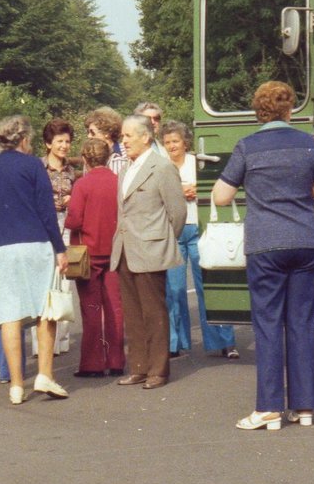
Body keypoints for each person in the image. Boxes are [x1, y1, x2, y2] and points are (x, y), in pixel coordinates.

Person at [212, 81, 314, 431]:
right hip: (305, 241)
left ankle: (268, 408)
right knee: (301, 323)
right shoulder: (310, 147)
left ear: (258, 111)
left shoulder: (248, 146)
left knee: (268, 325)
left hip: (265, 245)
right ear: (290, 110)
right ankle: (304, 406)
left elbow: (221, 196)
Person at [0, 115, 70, 405]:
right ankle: (45, 375)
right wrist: (60, 248)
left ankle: (16, 385)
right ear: (24, 139)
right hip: (34, 244)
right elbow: (46, 211)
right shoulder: (33, 165)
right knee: (44, 311)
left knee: (9, 315)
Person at [110, 113, 186, 390]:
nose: (124, 140)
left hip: (150, 249)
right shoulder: (124, 171)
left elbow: (177, 212)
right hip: (125, 251)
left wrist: (161, 242)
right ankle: (139, 368)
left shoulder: (162, 167)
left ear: (146, 137)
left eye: (128, 135)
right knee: (133, 313)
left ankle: (158, 370)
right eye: (122, 135)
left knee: (154, 312)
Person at [161, 120, 238, 360]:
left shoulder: (198, 162)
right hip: (173, 231)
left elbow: (217, 189)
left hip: (199, 229)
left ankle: (225, 341)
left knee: (209, 285)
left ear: (185, 142)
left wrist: (197, 189)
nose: (172, 146)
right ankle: (175, 343)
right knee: (173, 289)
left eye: (175, 141)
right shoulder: (162, 167)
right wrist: (178, 191)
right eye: (167, 142)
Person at [64, 137, 125, 377]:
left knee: (91, 309)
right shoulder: (118, 182)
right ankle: (116, 360)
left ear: (86, 160)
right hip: (114, 250)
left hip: (87, 253)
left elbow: (74, 220)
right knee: (115, 307)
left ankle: (92, 363)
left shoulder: (82, 185)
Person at [40, 118, 75, 356]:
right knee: (43, 284)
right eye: (59, 141)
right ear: (48, 144)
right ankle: (42, 342)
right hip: (44, 227)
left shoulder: (72, 170)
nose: (64, 145)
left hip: (67, 227)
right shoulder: (38, 168)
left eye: (67, 141)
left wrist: (73, 199)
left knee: (64, 283)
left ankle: (61, 341)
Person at [85, 106, 128, 177]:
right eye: (88, 132)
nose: (89, 136)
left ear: (107, 133)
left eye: (92, 132)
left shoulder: (124, 155)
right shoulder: (90, 156)